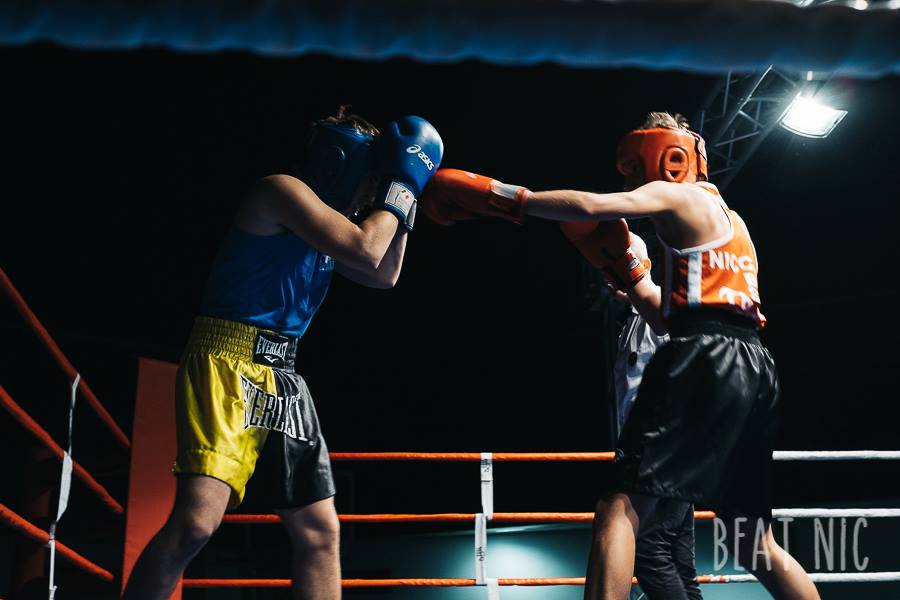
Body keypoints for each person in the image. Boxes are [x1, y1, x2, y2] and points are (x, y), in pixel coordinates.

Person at [421, 112, 820, 600]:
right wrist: (632, 278)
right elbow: (669, 317)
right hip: (754, 367)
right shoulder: (733, 223)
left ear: (669, 158)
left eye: (635, 167)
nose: (630, 181)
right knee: (753, 541)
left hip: (703, 358)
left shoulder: (678, 194)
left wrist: (502, 196)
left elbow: (592, 205)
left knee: (618, 508)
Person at [123, 107, 443, 600]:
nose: (370, 196)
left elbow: (383, 272)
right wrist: (401, 184)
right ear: (344, 164)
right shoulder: (281, 192)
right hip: (228, 361)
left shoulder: (331, 226)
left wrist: (408, 195)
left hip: (284, 373)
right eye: (372, 181)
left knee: (320, 534)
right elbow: (365, 250)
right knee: (196, 525)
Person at [561, 226, 700, 600]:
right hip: (667, 450)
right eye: (608, 267)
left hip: (663, 450)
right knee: (676, 557)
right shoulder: (634, 322)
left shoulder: (658, 310)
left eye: (619, 264)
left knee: (651, 551)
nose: (611, 275)